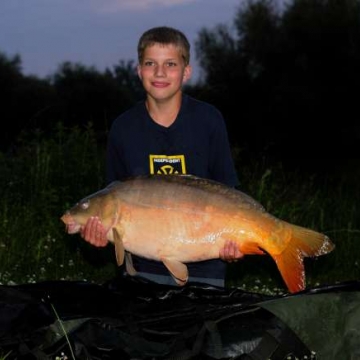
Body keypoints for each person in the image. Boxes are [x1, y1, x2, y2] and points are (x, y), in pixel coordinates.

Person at [80, 26, 244, 287]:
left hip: (207, 266)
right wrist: (99, 238)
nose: (159, 72)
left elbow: (229, 189)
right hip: (143, 271)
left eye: (170, 64)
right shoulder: (124, 127)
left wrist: (235, 243)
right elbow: (113, 193)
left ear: (186, 71)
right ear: (139, 70)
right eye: (150, 63)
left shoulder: (208, 120)